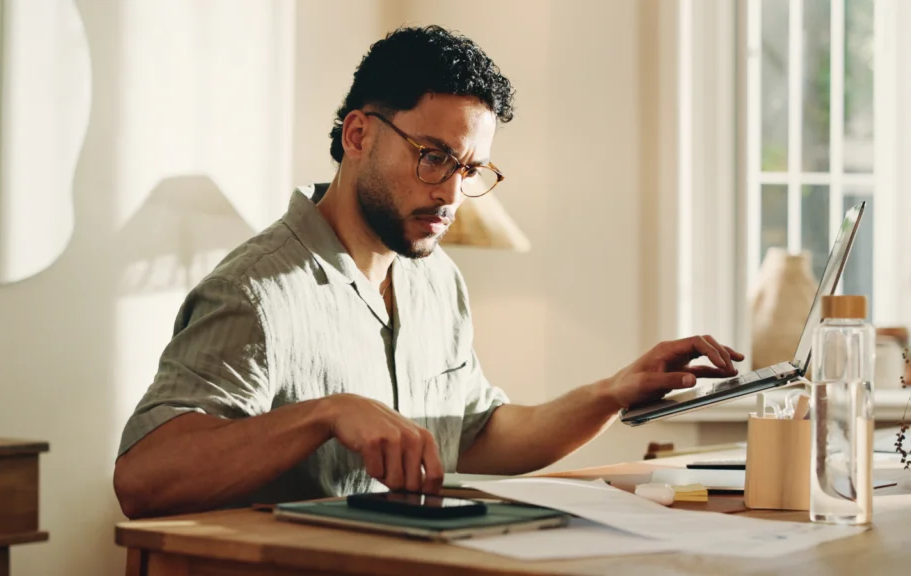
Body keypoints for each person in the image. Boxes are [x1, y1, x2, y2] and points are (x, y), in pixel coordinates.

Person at [113, 25, 742, 520]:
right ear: (357, 135)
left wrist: (612, 392)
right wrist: (325, 413)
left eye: (470, 170)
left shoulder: (436, 280)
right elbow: (144, 479)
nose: (451, 194)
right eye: (433, 157)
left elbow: (478, 434)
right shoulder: (257, 290)